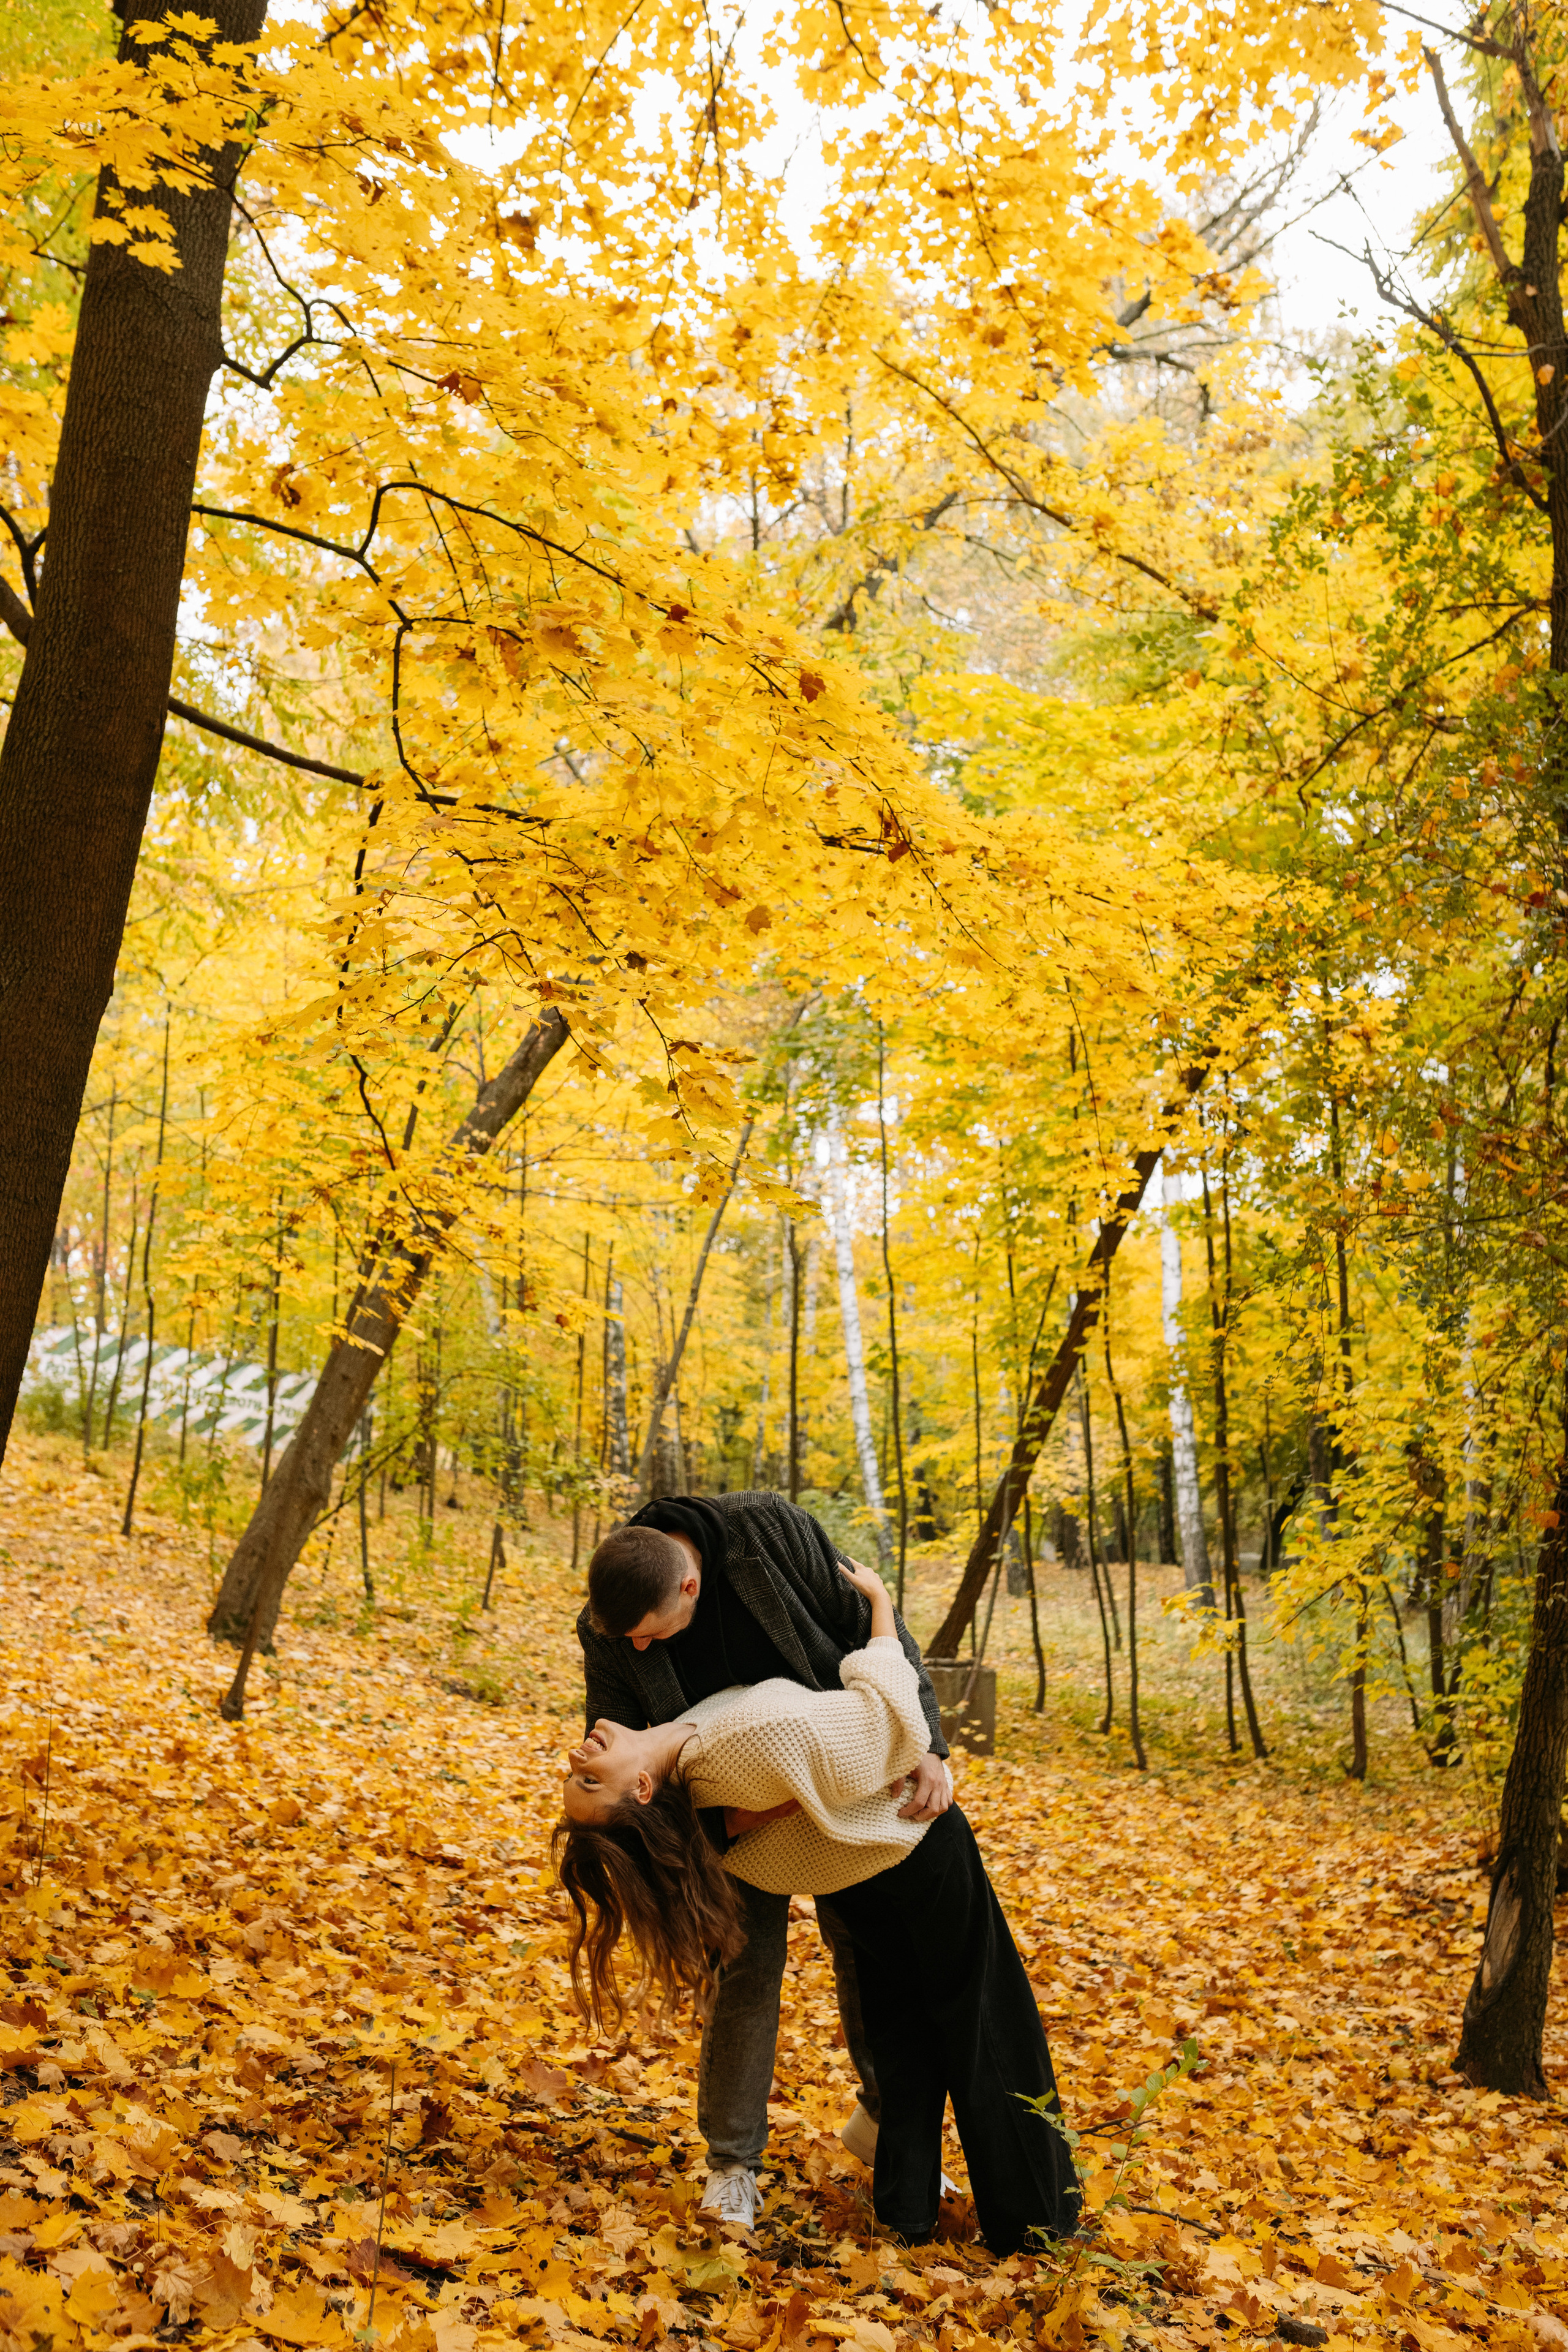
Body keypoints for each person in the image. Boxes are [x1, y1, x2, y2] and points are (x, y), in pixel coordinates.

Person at [557, 1555, 1082, 2258]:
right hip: (910, 1843)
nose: (575, 1756)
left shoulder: (694, 1757)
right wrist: (883, 1610)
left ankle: (907, 2212)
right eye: (589, 1780)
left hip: (858, 1867)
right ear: (642, 1795)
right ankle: (1034, 2226)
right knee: (985, 2015)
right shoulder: (738, 1747)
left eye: (574, 1775)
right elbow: (885, 1728)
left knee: (898, 2028)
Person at [577, 1491, 953, 2227]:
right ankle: (732, 2167)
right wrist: (721, 1825)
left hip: (839, 1775)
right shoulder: (611, 1622)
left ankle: (887, 2129)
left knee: (868, 1954)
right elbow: (621, 1767)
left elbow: (870, 1624)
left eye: (652, 1634)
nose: (641, 1649)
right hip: (728, 1817)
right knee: (744, 1975)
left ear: (690, 1585)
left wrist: (926, 1743)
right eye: (629, 1640)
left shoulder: (769, 1530)